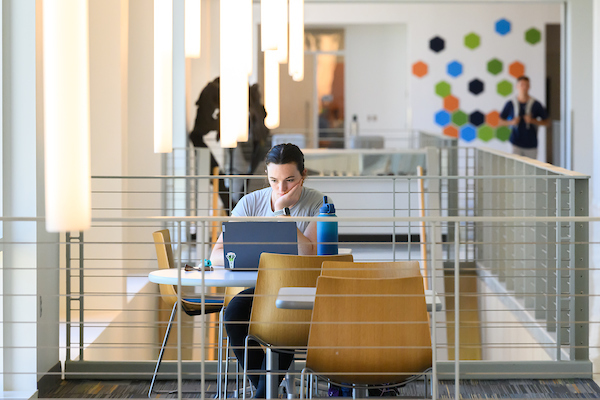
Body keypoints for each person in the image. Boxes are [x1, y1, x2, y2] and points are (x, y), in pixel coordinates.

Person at [210, 143, 325, 398]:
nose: (281, 188)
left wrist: (283, 216)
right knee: (234, 313)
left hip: (301, 292)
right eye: (274, 180)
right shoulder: (250, 204)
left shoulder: (319, 204)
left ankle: (263, 395)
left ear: (303, 176)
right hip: (264, 290)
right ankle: (266, 391)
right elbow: (216, 256)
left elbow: (311, 255)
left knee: (282, 318)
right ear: (266, 175)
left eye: (289, 180)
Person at [498, 75, 549, 160]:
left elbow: (547, 122)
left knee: (530, 170)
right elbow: (500, 121)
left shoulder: (536, 104)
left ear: (529, 87)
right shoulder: (511, 103)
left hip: (531, 144)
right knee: (514, 169)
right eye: (522, 85)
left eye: (526, 85)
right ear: (517, 86)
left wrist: (532, 121)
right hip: (515, 143)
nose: (524, 87)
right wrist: (511, 122)